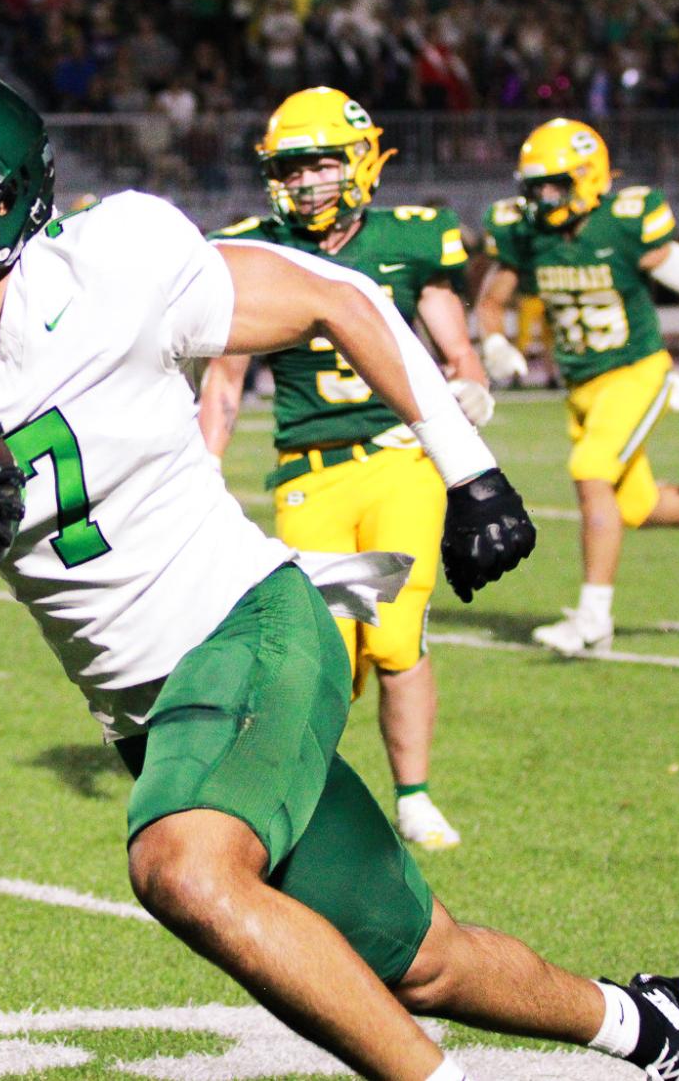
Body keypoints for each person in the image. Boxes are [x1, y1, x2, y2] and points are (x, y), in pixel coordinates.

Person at [0, 64, 679, 1081]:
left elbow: (335, 296)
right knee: (424, 961)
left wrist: (469, 472)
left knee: (182, 867)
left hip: (251, 625)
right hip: (150, 713)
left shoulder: (115, 257)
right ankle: (640, 1023)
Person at [200, 87, 490, 852]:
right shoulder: (251, 250)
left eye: (320, 164)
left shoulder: (413, 238)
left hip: (398, 459)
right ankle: (308, 795)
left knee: (394, 636)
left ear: (361, 162)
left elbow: (457, 351)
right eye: (290, 169)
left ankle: (415, 796)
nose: (305, 183)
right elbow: (224, 383)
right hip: (307, 469)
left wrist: (469, 382)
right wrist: (200, 472)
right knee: (323, 647)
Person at [474, 118, 679, 657]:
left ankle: (594, 619)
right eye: (536, 186)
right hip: (582, 387)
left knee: (590, 470)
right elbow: (490, 301)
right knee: (636, 506)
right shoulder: (527, 234)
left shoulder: (621, 224)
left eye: (556, 184)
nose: (543, 198)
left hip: (638, 373)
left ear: (589, 177)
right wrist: (496, 344)